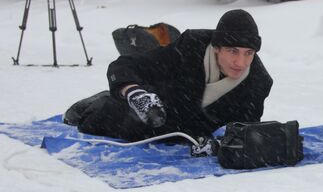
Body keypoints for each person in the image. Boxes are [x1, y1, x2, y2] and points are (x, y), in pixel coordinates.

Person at [64, 9, 273, 142]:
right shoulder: (191, 46)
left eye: (249, 53)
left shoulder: (258, 82)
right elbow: (127, 64)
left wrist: (221, 145)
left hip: (192, 130)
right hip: (160, 104)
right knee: (108, 122)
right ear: (217, 47)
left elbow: (244, 129)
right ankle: (107, 98)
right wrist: (134, 93)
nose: (241, 62)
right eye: (233, 51)